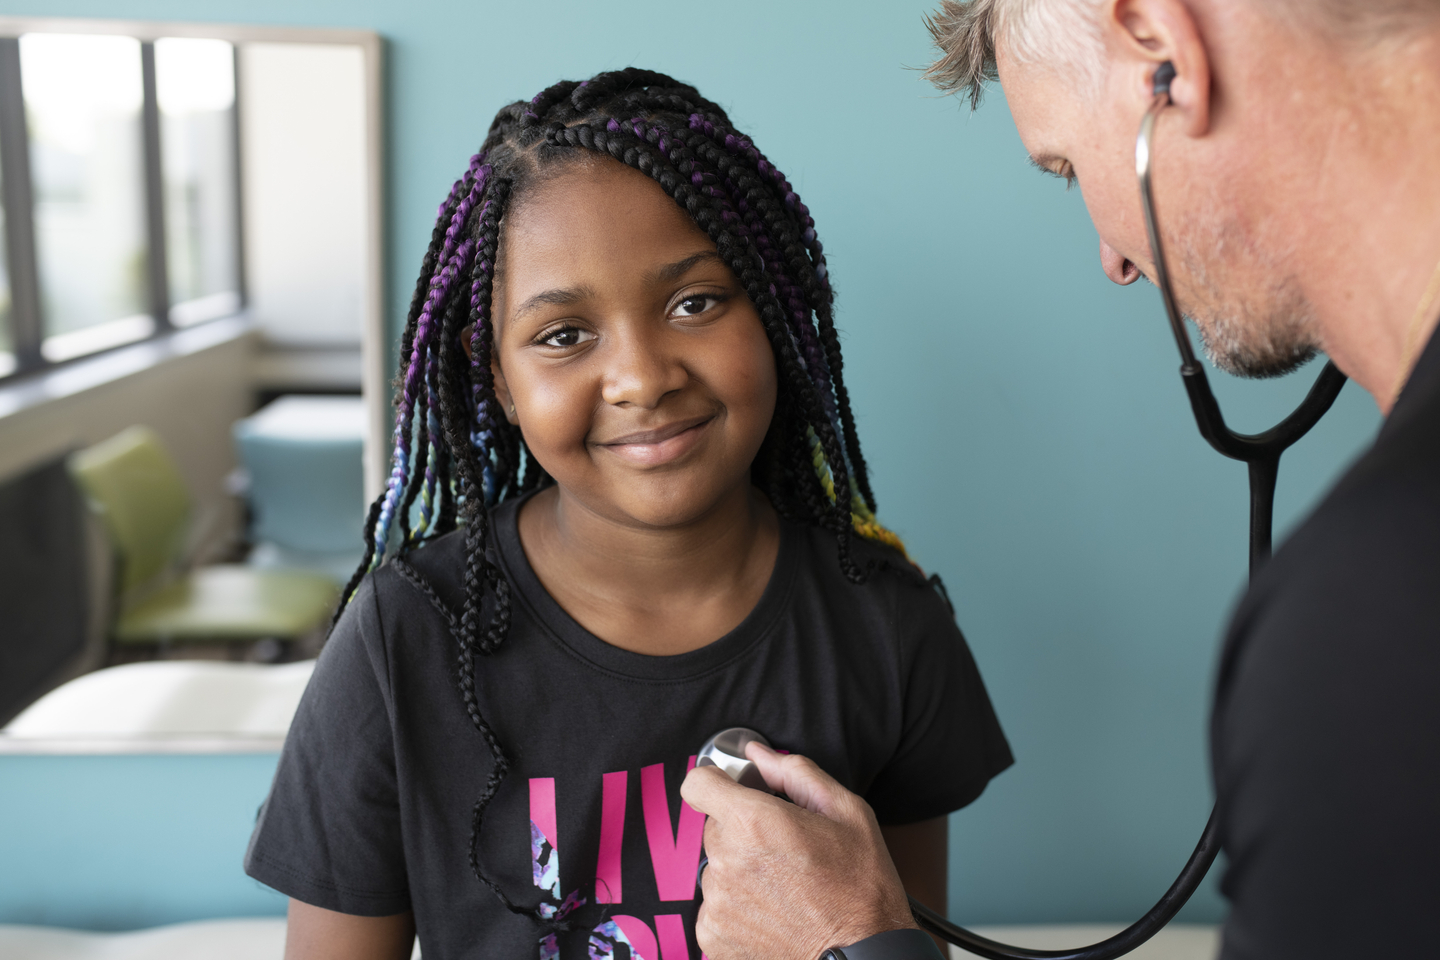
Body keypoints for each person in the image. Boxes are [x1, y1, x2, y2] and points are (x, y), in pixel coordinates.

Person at [680, 1, 1440, 958]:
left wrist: (851, 945)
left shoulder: (1381, 612)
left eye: (1071, 167)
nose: (1114, 259)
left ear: (1165, 50)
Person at [242, 69, 1014, 960]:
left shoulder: (887, 622)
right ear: (498, 378)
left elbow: (898, 941)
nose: (644, 379)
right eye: (564, 335)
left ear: (766, 307)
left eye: (695, 303)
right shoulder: (404, 637)